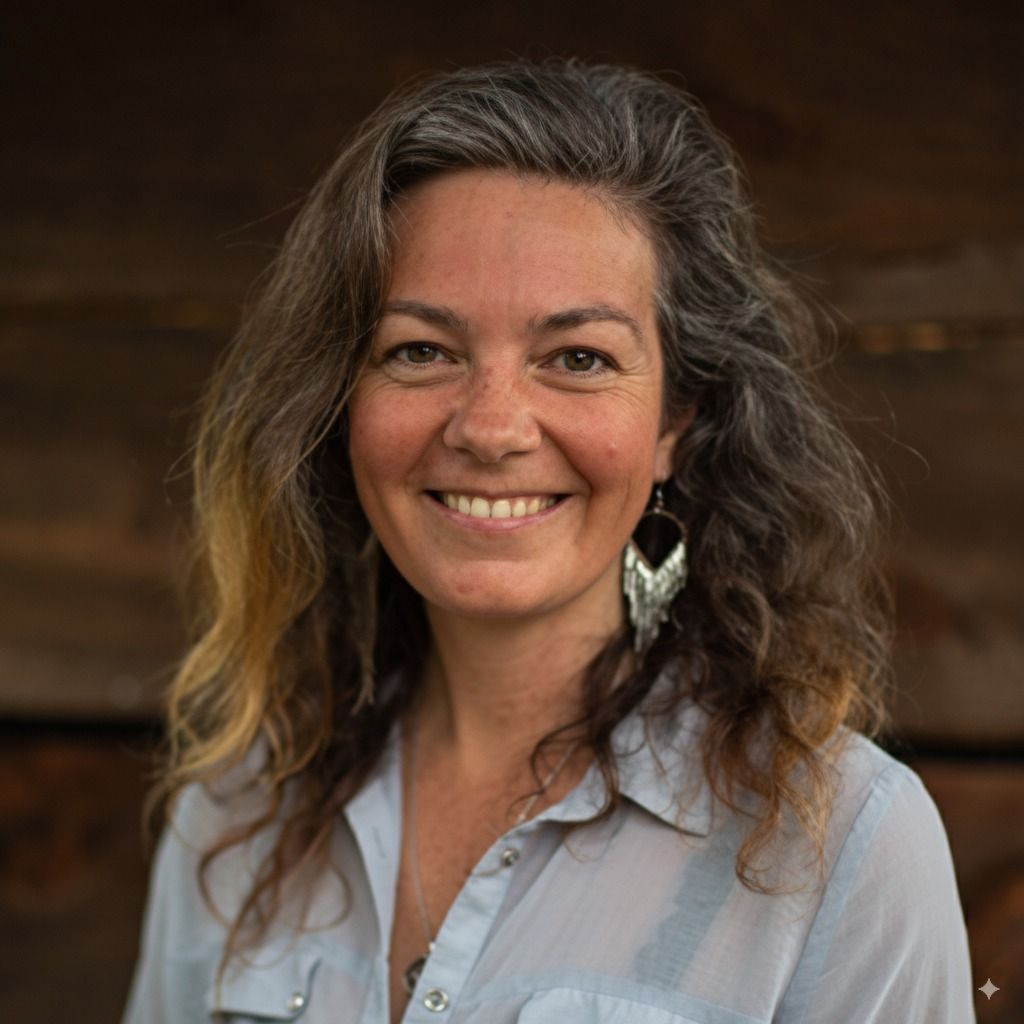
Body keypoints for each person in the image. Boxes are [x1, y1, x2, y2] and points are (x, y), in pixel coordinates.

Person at [122, 60, 975, 1023]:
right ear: (339, 403)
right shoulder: (236, 820)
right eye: (421, 351)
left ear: (675, 424)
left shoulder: (841, 845)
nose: (490, 427)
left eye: (578, 358)